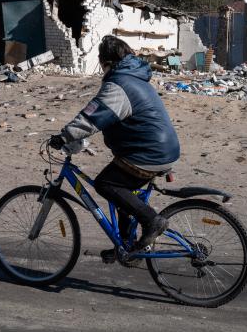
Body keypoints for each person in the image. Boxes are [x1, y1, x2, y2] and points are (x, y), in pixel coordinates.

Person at [48, 35, 180, 260]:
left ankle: (152, 221)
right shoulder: (136, 78)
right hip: (160, 149)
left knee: (106, 183)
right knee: (123, 194)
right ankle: (128, 247)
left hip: (148, 153)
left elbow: (93, 116)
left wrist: (64, 136)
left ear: (105, 62)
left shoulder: (119, 84)